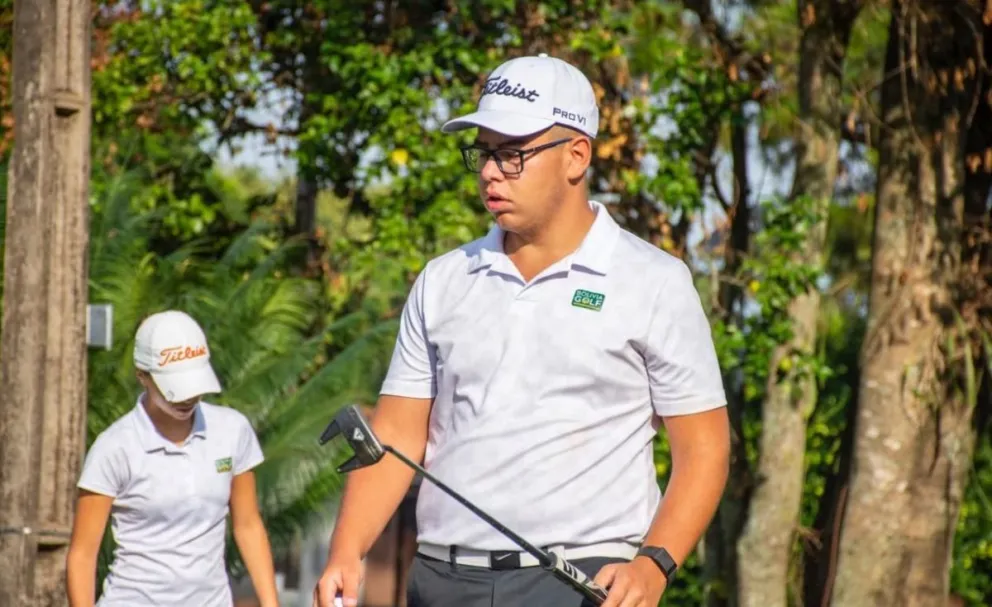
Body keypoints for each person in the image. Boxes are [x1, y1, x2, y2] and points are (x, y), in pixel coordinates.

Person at [313, 53, 730, 607]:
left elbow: (704, 449)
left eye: (512, 155)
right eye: (484, 153)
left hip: (578, 584)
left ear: (576, 156)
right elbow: (395, 435)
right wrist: (347, 551)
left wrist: (653, 565)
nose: (489, 171)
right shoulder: (443, 279)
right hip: (440, 579)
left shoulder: (654, 281)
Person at [66, 310, 280, 607]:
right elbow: (83, 554)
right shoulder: (114, 448)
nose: (187, 399)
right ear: (142, 376)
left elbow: (248, 525)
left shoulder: (232, 431)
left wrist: (271, 604)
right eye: (174, 389)